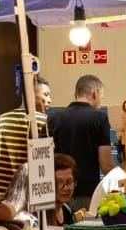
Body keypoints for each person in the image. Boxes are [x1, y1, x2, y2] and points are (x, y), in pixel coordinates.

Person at [47, 75, 114, 210]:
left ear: (75, 93)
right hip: (87, 194)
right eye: (101, 96)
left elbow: (46, 157)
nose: (100, 101)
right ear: (95, 93)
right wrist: (123, 177)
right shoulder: (99, 118)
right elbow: (106, 165)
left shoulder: (54, 117)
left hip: (57, 194)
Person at [0, 73, 51, 200]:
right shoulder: (43, 120)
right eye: (45, 95)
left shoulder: (3, 119)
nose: (49, 100)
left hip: (3, 195)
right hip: (32, 195)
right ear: (30, 95)